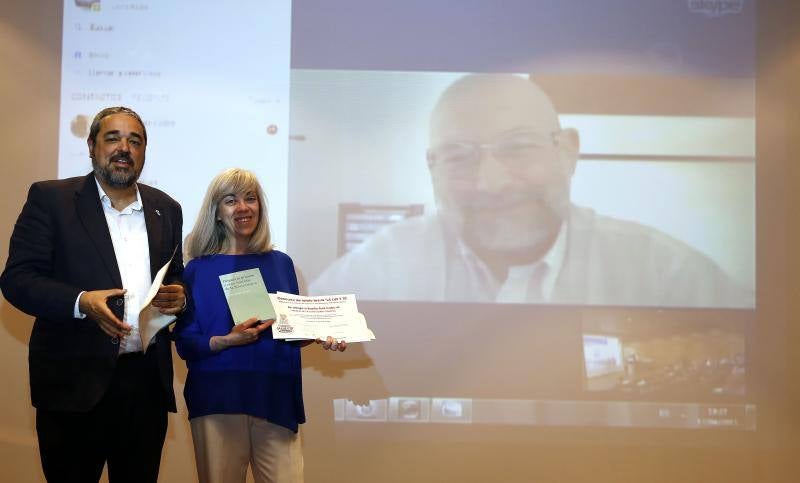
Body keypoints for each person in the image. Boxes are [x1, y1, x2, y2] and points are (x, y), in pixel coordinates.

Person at [310, 74, 753, 308]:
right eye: (459, 157)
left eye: (518, 148)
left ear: (568, 151)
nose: (491, 183)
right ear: (432, 168)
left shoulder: (664, 274)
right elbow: (293, 339)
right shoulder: (384, 264)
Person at [0, 106, 186, 482]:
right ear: (91, 146)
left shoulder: (166, 209)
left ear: (144, 151)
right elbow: (17, 279)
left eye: (135, 141)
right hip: (73, 386)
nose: (124, 148)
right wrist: (81, 301)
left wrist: (181, 298)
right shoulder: (51, 199)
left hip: (145, 387)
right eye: (113, 138)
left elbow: (176, 276)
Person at [173, 168, 345, 483]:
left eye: (250, 199)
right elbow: (185, 343)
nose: (243, 208)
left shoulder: (281, 263)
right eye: (231, 200)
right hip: (218, 397)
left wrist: (319, 333)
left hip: (275, 396)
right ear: (217, 212)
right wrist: (227, 340)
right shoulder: (196, 270)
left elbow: (287, 330)